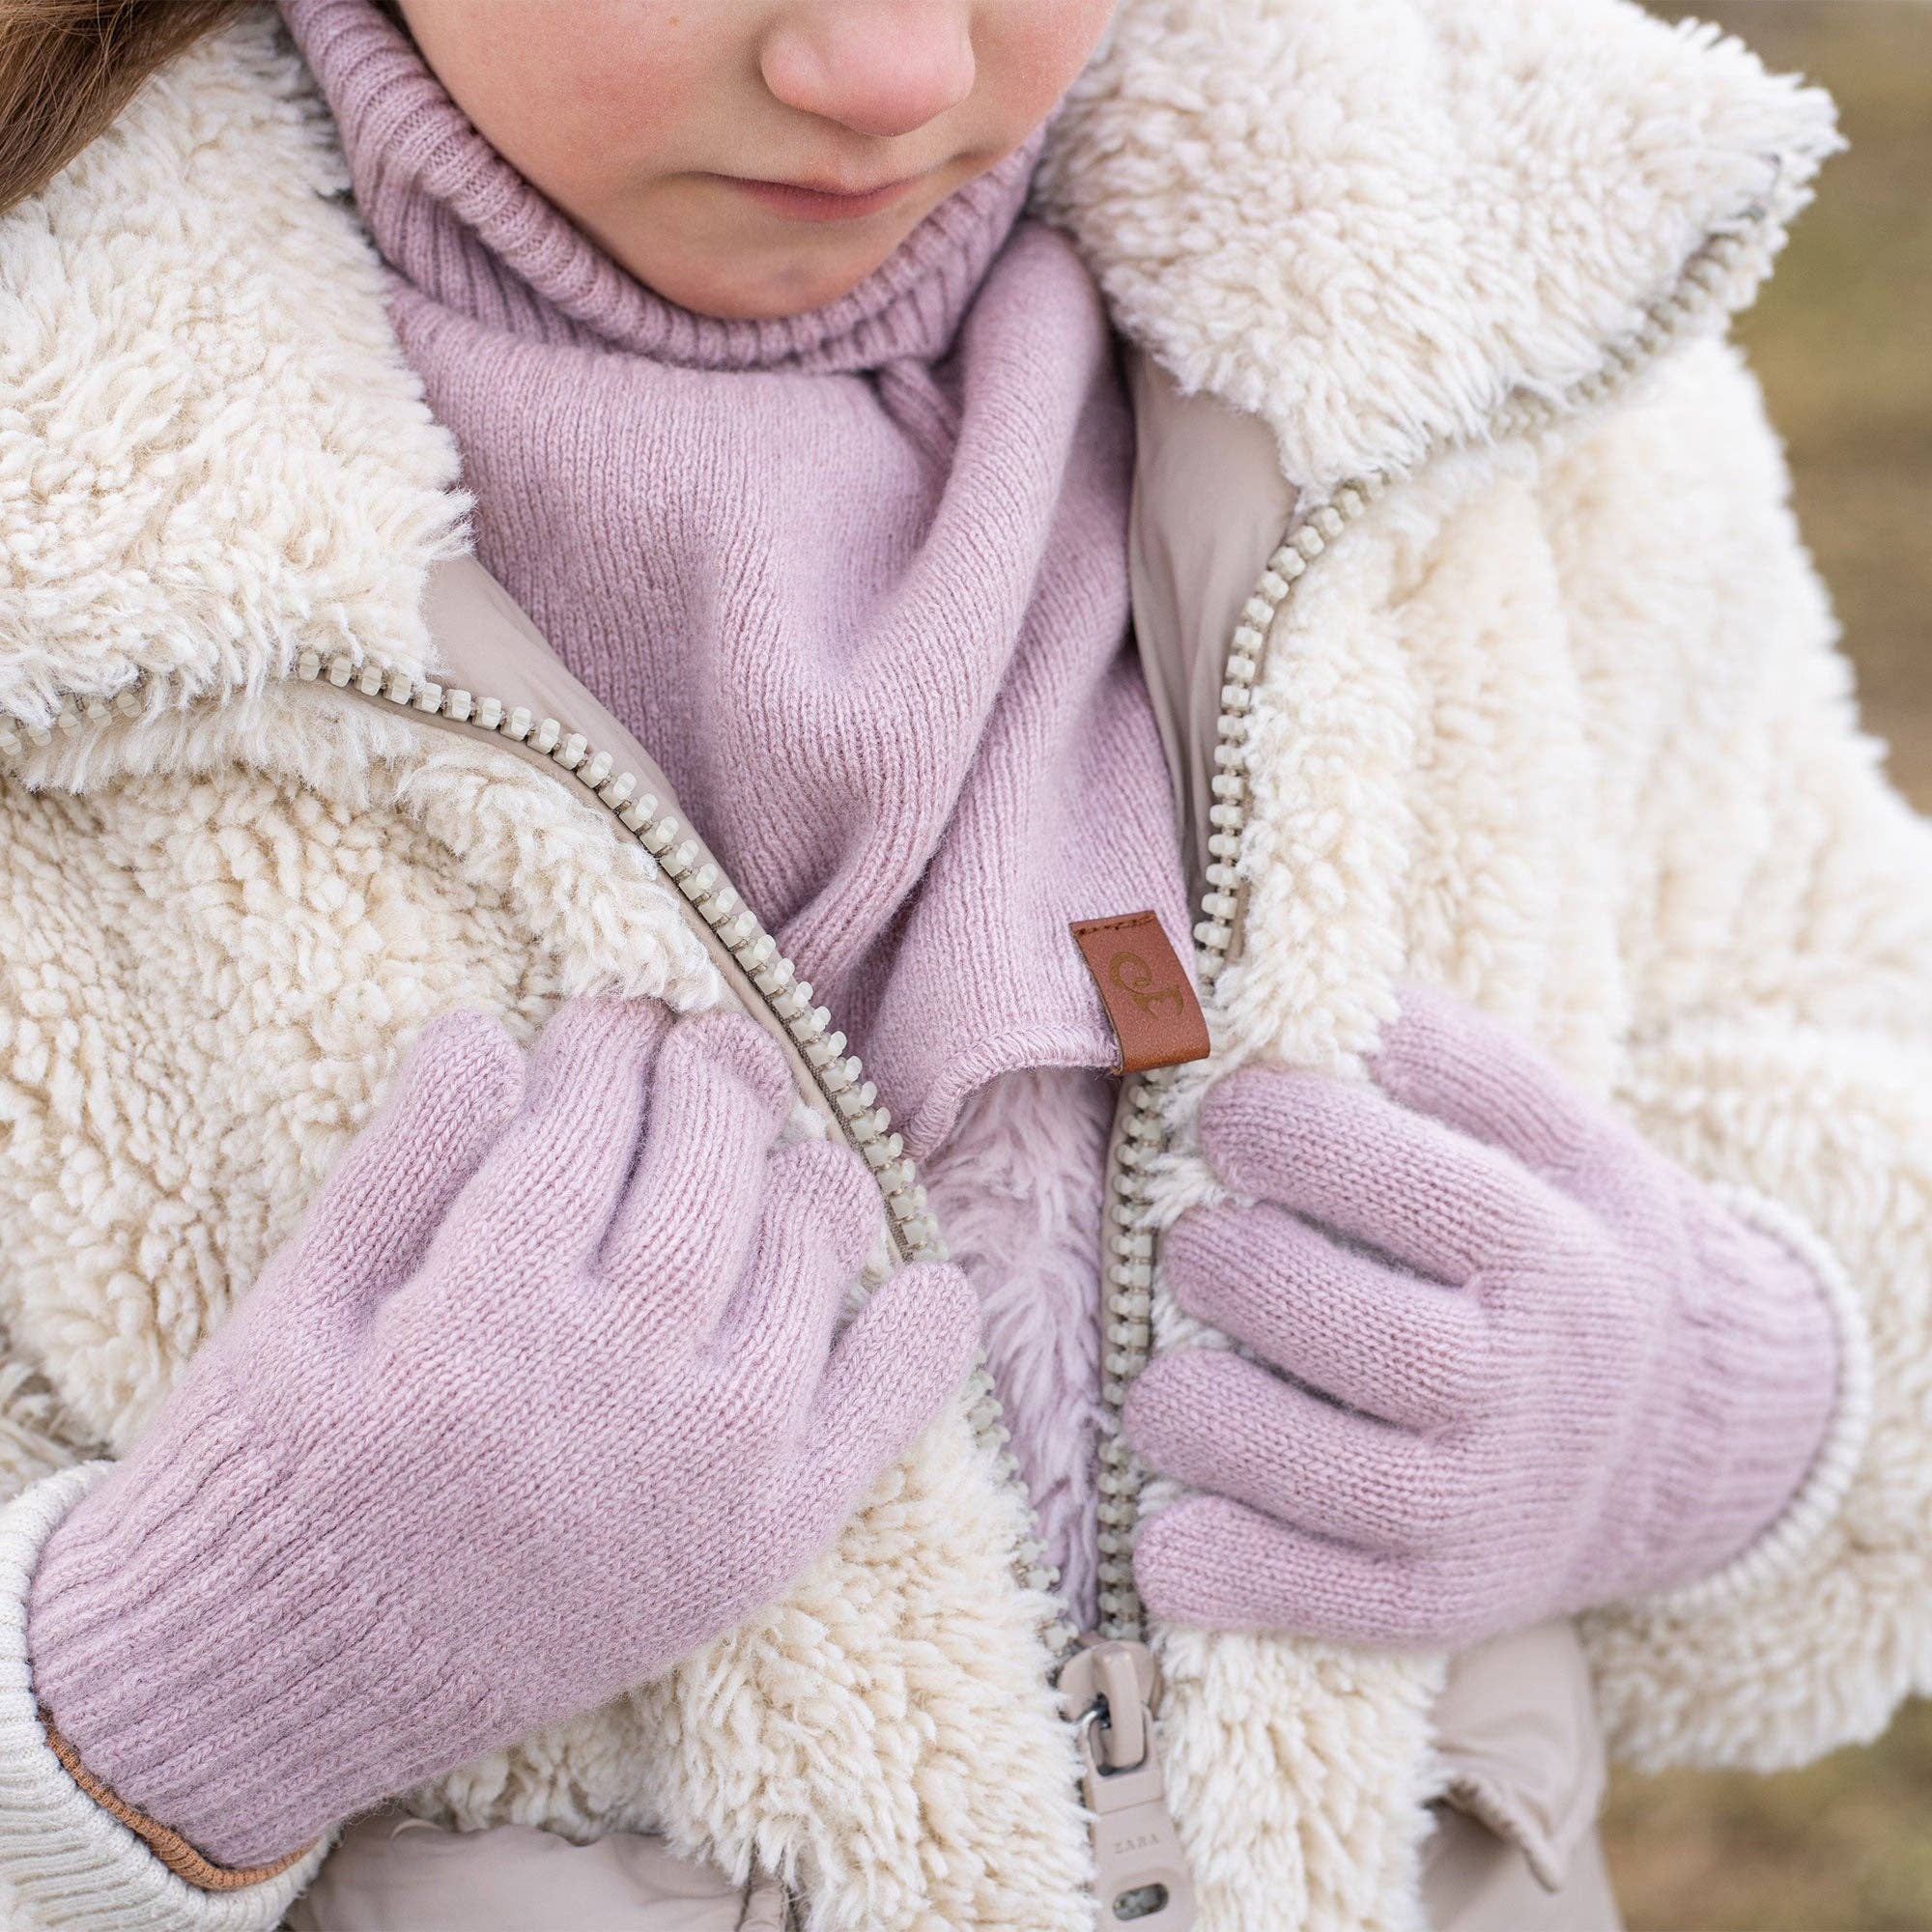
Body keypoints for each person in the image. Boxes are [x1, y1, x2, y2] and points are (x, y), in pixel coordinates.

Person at [0, 1, 1923, 1928]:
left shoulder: (1484, 288)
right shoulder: (62, 536)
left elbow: (1846, 1025)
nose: (895, 73)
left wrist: (1749, 1396)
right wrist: (180, 1692)